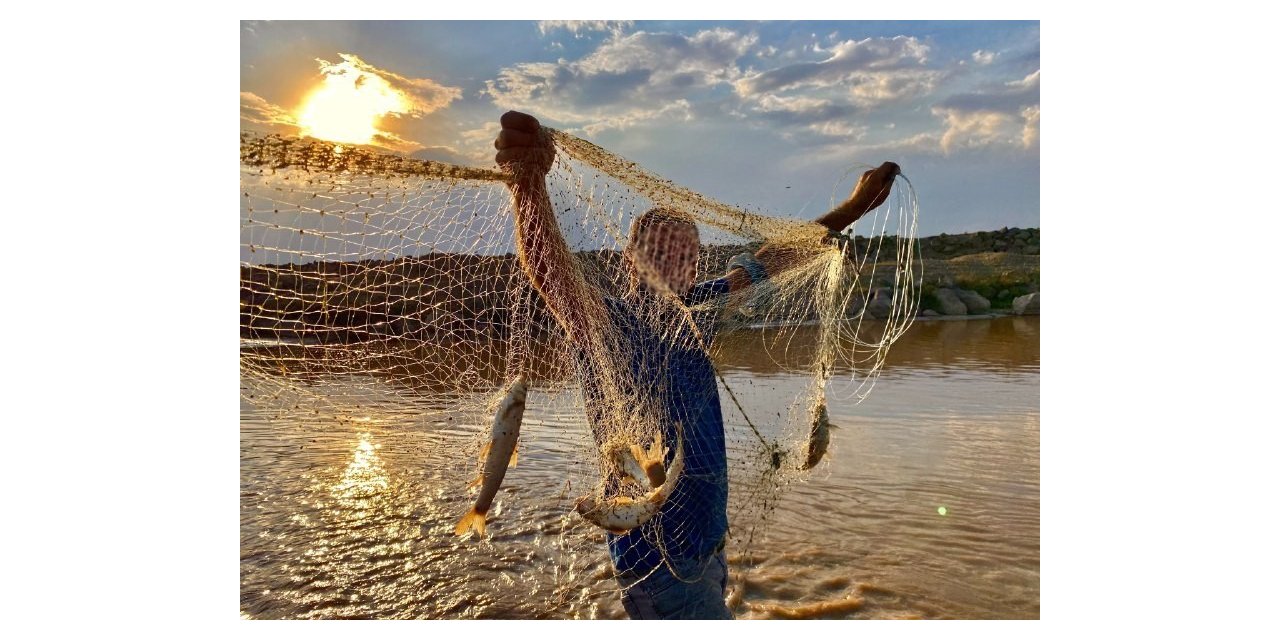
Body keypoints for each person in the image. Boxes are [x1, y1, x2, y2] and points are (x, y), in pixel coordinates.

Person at [494, 110, 898, 619]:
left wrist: (853, 208)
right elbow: (550, 269)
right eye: (661, 252)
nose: (676, 265)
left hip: (705, 542)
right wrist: (527, 185)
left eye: (687, 255)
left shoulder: (697, 309)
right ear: (630, 261)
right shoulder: (607, 322)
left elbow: (772, 258)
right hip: (656, 561)